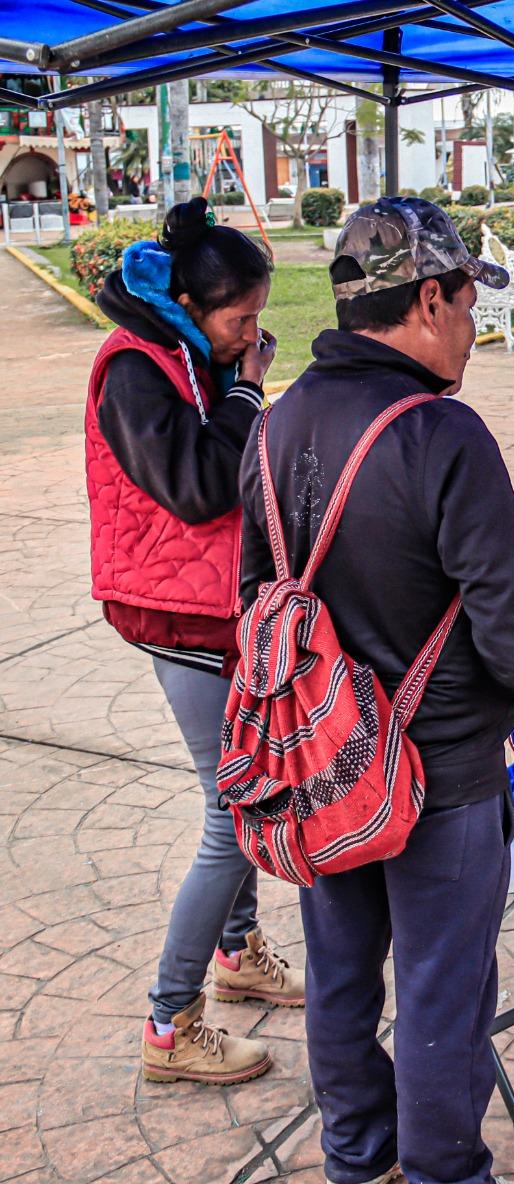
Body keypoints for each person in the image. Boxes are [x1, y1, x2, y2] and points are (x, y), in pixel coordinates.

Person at [238, 198, 514, 1184]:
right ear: (429, 300)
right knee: (441, 994)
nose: (471, 327)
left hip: (320, 763)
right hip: (441, 774)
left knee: (340, 977)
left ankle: (355, 1164)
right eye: (467, 303)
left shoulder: (274, 421)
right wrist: (485, 707)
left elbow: (253, 598)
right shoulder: (441, 434)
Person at [85, 197, 303, 1087]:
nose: (252, 335)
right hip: (175, 615)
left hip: (211, 606)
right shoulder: (133, 370)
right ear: (188, 304)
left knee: (240, 791)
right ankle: (169, 1022)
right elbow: (202, 483)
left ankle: (238, 950)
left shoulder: (183, 351)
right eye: (240, 320)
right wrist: (248, 388)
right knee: (234, 814)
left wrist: (237, 379)